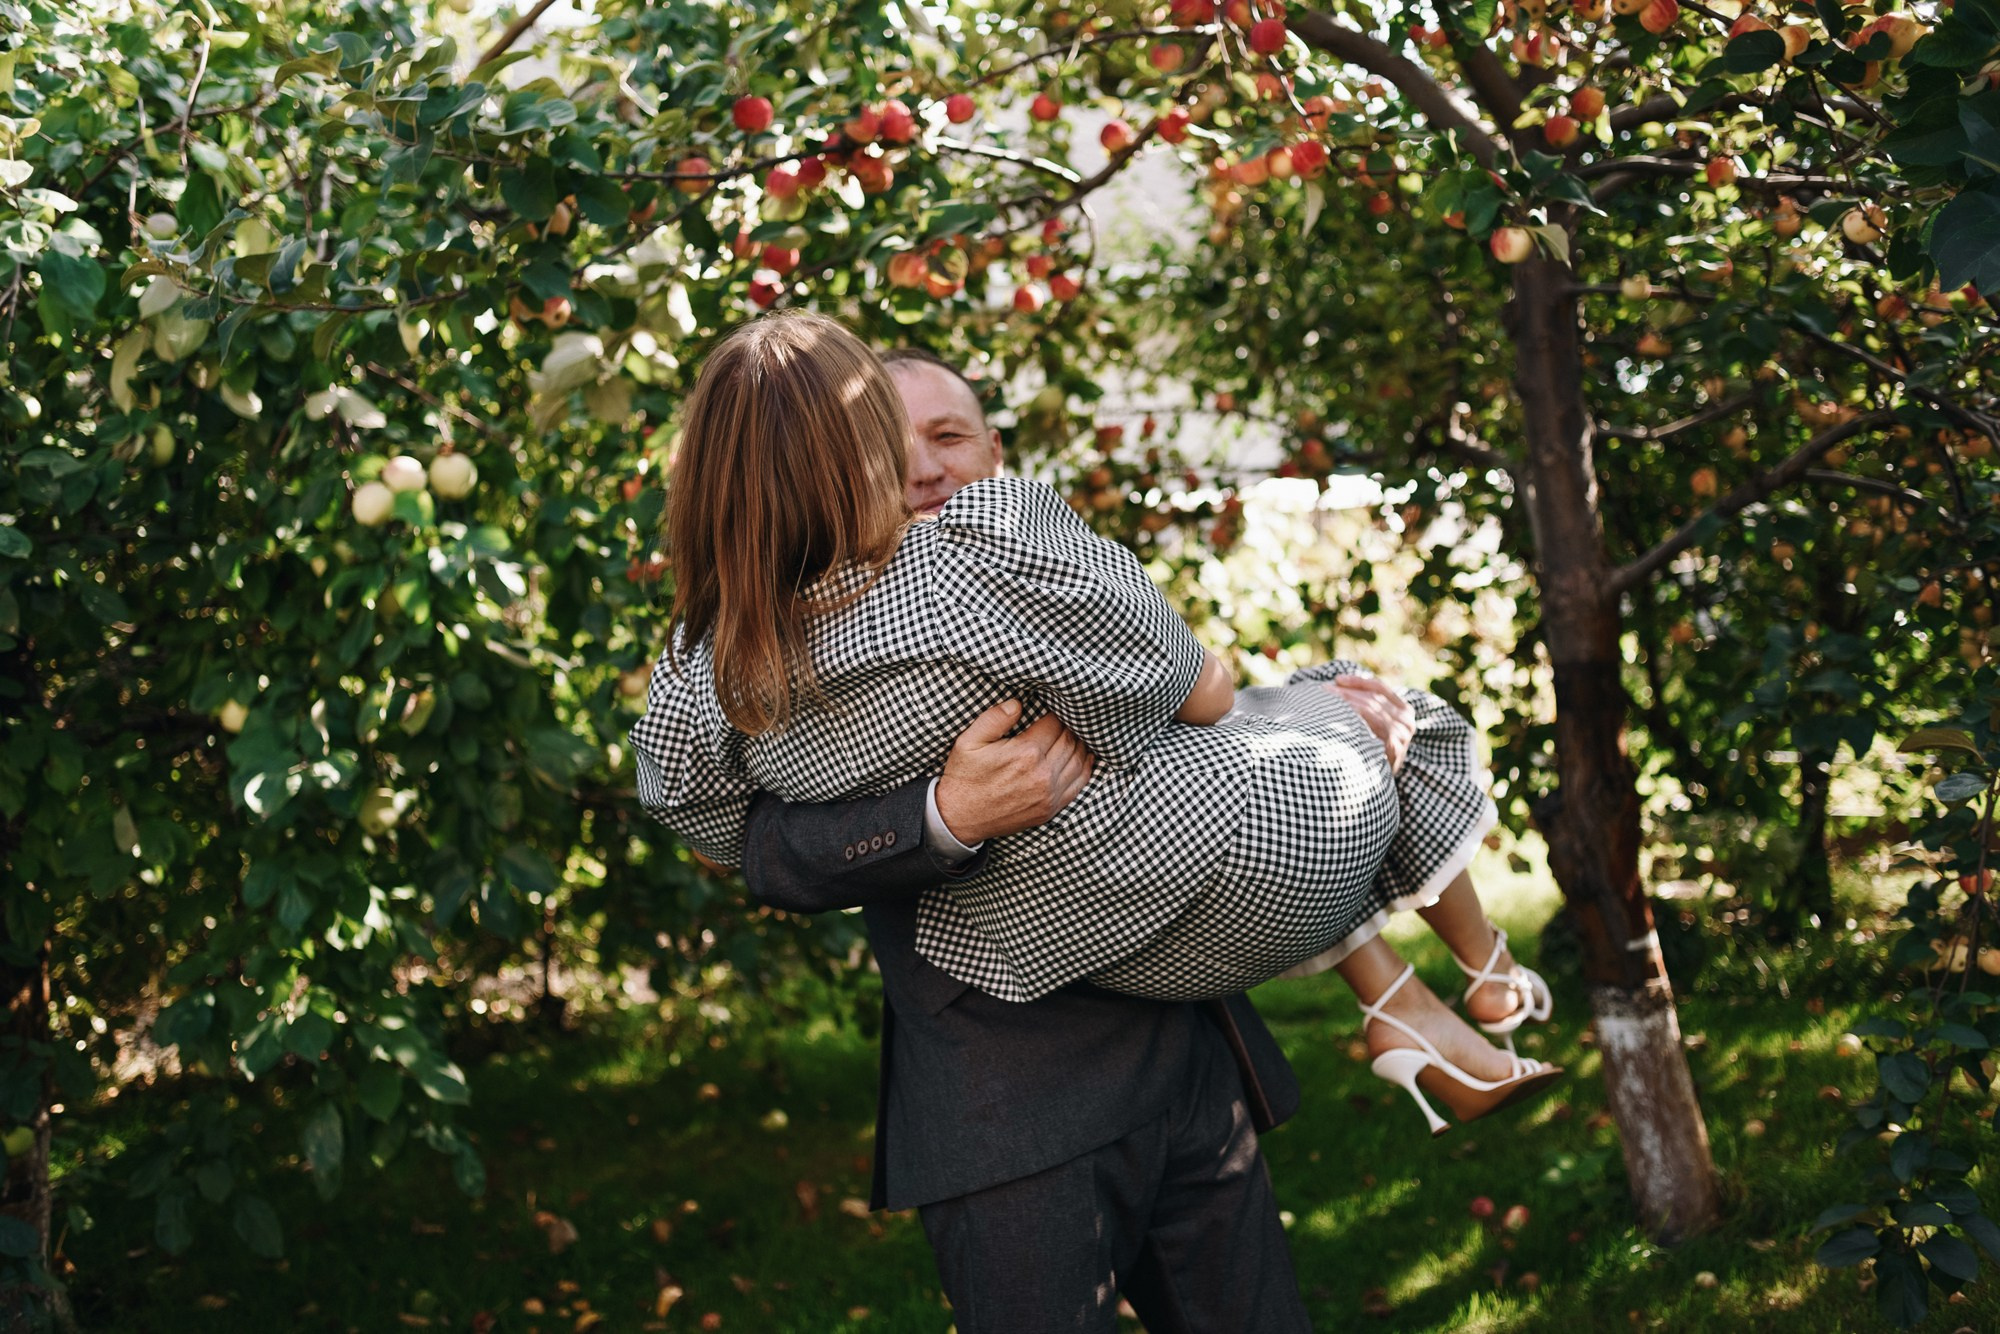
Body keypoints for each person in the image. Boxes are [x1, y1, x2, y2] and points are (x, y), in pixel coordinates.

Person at [631, 317, 1558, 1322]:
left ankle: (1405, 999)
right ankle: (1445, 984)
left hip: (1186, 1037)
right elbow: (762, 851)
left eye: (946, 436)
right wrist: (941, 812)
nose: (919, 464)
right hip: (1008, 1099)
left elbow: (702, 809)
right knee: (1361, 707)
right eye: (890, 434)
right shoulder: (975, 562)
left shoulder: (717, 673)